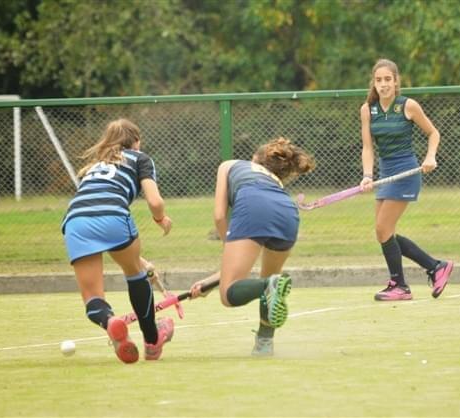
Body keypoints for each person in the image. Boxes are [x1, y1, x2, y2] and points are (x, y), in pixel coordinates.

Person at [61, 118, 174, 363]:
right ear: (136, 141)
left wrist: (141, 259)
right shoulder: (139, 158)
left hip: (75, 221)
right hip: (114, 218)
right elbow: (154, 202)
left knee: (93, 298)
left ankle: (110, 321)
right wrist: (160, 219)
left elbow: (95, 212)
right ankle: (152, 342)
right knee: (134, 274)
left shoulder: (95, 166)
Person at [190, 137, 315, 356]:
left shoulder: (228, 165)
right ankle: (264, 343)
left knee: (228, 295)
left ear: (255, 159)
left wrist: (227, 249)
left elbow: (220, 216)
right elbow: (245, 272)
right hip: (287, 212)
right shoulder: (276, 183)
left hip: (252, 205)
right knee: (270, 282)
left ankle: (265, 333)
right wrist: (212, 280)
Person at [359, 58, 454, 301]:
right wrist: (367, 176)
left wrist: (430, 156)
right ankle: (435, 266)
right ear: (374, 83)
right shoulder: (367, 110)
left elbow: (433, 133)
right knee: (384, 233)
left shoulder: (408, 106)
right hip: (385, 172)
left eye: (387, 80)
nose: (383, 85)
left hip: (406, 172)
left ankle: (399, 285)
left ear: (396, 81)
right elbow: (368, 148)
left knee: (383, 229)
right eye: (379, 80)